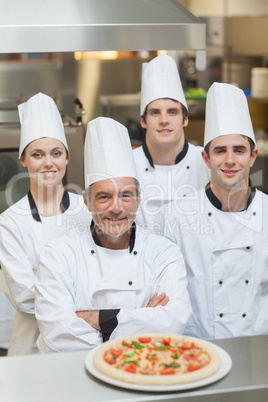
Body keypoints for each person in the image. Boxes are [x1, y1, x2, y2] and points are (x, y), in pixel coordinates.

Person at [35, 116, 191, 353]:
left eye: (126, 196)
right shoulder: (58, 256)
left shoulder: (164, 253)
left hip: (145, 376)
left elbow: (173, 323)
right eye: (104, 196)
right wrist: (143, 319)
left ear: (138, 200)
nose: (116, 208)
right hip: (73, 379)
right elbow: (57, 334)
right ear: (87, 201)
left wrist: (95, 318)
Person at [160, 82, 268, 339]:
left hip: (259, 347)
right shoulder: (176, 216)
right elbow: (167, 294)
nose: (230, 160)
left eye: (239, 150)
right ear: (206, 159)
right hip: (197, 348)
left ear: (252, 157)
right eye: (220, 151)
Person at [0, 93, 90, 355]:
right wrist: (79, 278)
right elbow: (25, 299)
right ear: (23, 160)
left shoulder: (88, 210)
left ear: (67, 158)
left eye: (56, 153)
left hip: (87, 341)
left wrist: (43, 275)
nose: (48, 162)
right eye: (37, 154)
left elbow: (105, 280)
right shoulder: (9, 223)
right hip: (31, 348)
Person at [133, 54, 210, 231]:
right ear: (143, 121)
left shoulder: (206, 162)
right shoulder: (128, 164)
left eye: (173, 112)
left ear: (185, 119)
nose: (164, 120)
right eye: (155, 112)